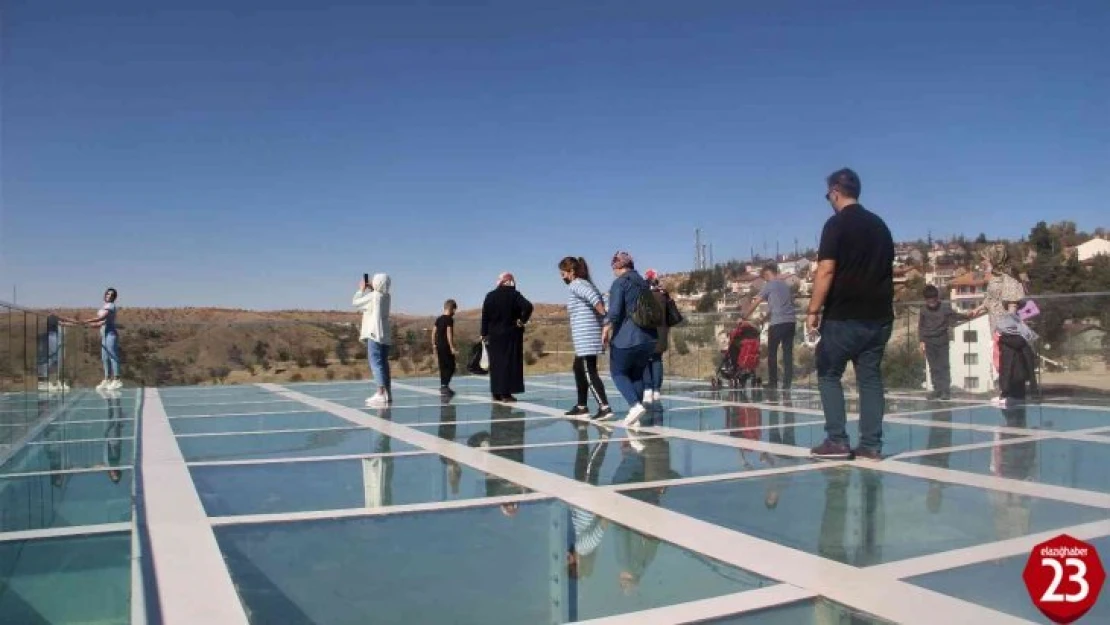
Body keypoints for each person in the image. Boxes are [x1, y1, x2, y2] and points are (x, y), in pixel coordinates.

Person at [806, 169, 895, 461]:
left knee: (829, 374)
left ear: (834, 192)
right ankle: (871, 445)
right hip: (879, 316)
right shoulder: (881, 226)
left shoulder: (836, 225)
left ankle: (837, 440)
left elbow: (826, 270)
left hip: (844, 316)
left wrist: (813, 309)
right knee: (870, 379)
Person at [970, 245, 1034, 405]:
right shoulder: (996, 277)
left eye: (985, 259)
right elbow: (992, 298)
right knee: (1002, 361)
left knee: (1009, 361)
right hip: (998, 326)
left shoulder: (1008, 278)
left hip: (1006, 329)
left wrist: (1009, 327)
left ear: (994, 259)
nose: (983, 262)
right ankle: (1007, 393)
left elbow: (1012, 303)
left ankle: (1011, 395)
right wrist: (980, 308)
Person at [602, 252, 658, 428]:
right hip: (649, 337)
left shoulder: (620, 283)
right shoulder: (643, 282)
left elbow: (616, 312)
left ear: (619, 266)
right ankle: (637, 414)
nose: (613, 272)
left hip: (627, 338)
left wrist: (605, 327)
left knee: (618, 372)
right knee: (637, 373)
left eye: (613, 268)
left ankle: (634, 406)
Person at [558, 257, 613, 420]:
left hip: (586, 338)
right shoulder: (585, 284)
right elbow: (600, 299)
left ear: (571, 272)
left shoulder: (577, 285)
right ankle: (582, 405)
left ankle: (605, 407)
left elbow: (597, 301)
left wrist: (605, 317)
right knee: (578, 368)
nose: (562, 277)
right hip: (586, 336)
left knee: (589, 371)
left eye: (563, 273)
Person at [742, 263, 798, 391]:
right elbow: (780, 306)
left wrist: (744, 316)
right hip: (791, 322)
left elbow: (756, 303)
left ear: (768, 274)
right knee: (788, 354)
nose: (764, 280)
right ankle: (786, 385)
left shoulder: (769, 286)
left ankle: (773, 383)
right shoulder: (785, 285)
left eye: (764, 277)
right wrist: (764, 319)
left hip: (778, 324)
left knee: (772, 353)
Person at [481, 273, 534, 402]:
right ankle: (506, 394)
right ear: (509, 282)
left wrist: (484, 333)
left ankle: (496, 392)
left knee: (496, 364)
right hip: (511, 334)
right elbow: (528, 306)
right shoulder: (514, 294)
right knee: (508, 363)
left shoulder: (490, 296)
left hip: (494, 335)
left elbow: (485, 316)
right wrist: (522, 321)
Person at [918, 284, 967, 400]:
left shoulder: (944, 308)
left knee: (944, 365)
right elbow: (921, 326)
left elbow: (955, 316)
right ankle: (937, 390)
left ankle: (945, 390)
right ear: (926, 300)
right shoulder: (923, 310)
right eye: (929, 300)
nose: (931, 302)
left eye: (933, 299)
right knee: (933, 367)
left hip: (942, 340)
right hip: (929, 341)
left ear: (937, 298)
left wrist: (968, 315)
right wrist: (921, 341)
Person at [354, 274, 393, 407]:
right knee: (383, 364)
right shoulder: (386, 297)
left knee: (375, 364)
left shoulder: (373, 296)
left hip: (374, 334)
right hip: (385, 336)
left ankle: (380, 393)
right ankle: (387, 392)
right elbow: (376, 303)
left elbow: (356, 302)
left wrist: (361, 289)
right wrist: (373, 289)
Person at [79, 288, 122, 390]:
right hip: (104, 335)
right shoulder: (104, 306)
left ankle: (117, 379)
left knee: (112, 355)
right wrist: (87, 324)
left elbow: (101, 318)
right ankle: (107, 379)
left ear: (114, 297)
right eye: (108, 294)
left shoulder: (111, 306)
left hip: (111, 334)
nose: (109, 296)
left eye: (111, 295)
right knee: (104, 357)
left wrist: (87, 320)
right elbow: (101, 323)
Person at [642, 270, 672, 405]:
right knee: (657, 360)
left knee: (644, 361)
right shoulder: (664, 296)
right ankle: (656, 390)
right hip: (662, 332)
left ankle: (647, 388)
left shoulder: (644, 296)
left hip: (648, 333)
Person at [433, 299, 459, 397]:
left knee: (443, 366)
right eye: (454, 310)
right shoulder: (449, 319)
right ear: (451, 308)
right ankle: (444, 386)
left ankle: (444, 386)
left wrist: (433, 344)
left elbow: (433, 332)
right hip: (446, 346)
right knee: (451, 366)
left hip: (439, 345)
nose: (454, 312)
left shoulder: (439, 319)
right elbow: (449, 333)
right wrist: (452, 347)